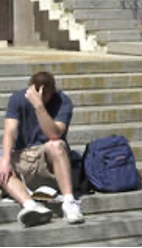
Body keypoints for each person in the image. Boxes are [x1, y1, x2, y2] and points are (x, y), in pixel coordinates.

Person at [0, 72, 85, 227]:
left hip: (48, 160)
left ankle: (69, 202)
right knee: (1, 161)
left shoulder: (63, 101)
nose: (42, 96)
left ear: (53, 91)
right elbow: (10, 131)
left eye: (46, 94)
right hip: (24, 156)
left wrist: (38, 106)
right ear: (31, 88)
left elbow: (54, 134)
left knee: (57, 145)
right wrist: (5, 160)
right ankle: (30, 206)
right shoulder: (17, 99)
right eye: (38, 92)